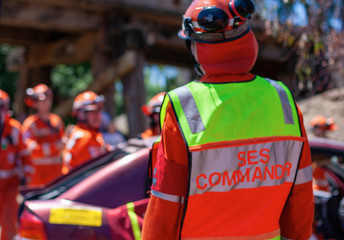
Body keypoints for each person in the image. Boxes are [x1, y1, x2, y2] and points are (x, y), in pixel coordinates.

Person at [142, 0, 314, 239]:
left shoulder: (183, 105)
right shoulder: (283, 99)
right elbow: (301, 193)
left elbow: (166, 202)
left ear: (196, 47)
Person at [0, 89, 30, 240]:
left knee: (9, 224)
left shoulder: (14, 128)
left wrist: (27, 176)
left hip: (10, 184)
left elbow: (24, 155)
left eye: (3, 107)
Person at [21, 84, 65, 187]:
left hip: (56, 177)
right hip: (37, 179)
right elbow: (30, 151)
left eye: (48, 99)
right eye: (42, 100)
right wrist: (54, 147)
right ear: (35, 103)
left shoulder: (56, 121)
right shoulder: (30, 124)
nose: (46, 103)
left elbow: (62, 146)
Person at [62, 91, 109, 174]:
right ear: (80, 114)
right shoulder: (83, 137)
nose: (97, 116)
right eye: (92, 112)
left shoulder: (94, 135)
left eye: (98, 111)